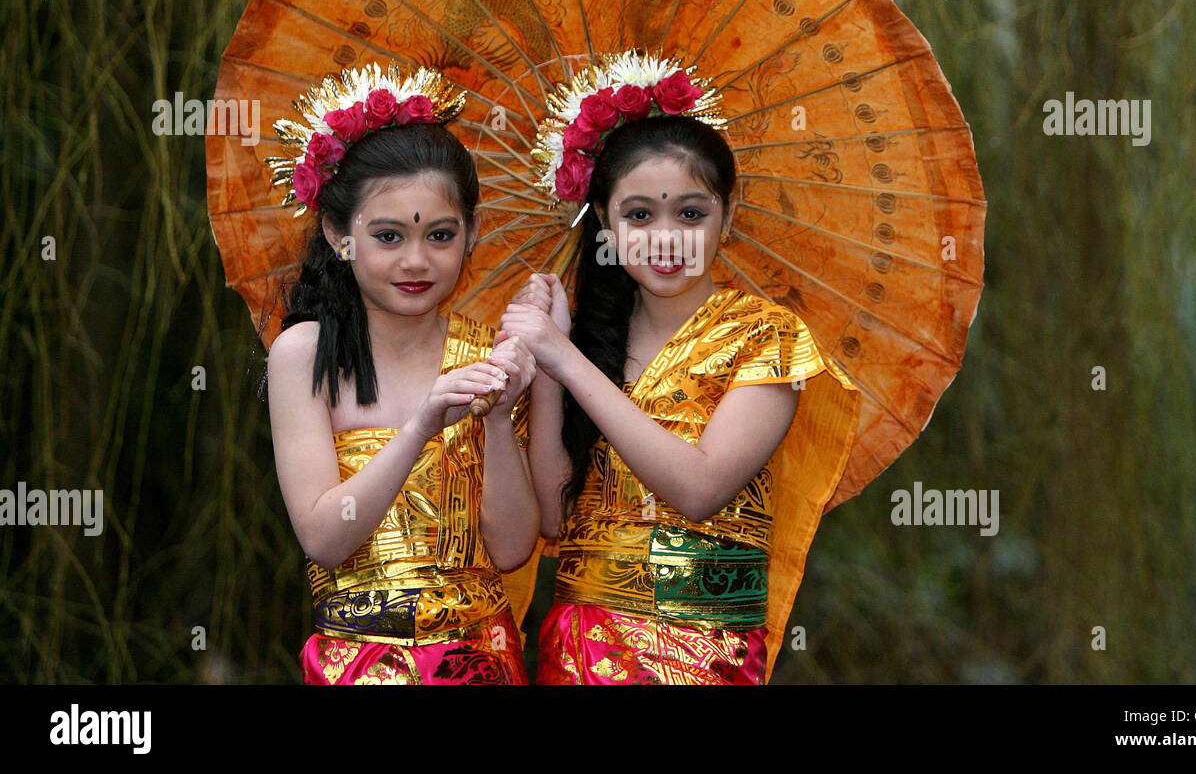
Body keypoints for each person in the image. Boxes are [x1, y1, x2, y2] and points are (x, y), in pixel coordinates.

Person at [501, 55, 861, 683]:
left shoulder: (766, 337)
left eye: (690, 214)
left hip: (702, 652)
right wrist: (551, 368)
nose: (666, 238)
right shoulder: (587, 337)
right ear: (604, 223)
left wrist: (566, 361)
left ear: (728, 214)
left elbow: (700, 490)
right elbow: (555, 521)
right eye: (639, 215)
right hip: (579, 648)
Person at [261, 65, 540, 684]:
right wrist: (419, 427)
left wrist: (497, 421)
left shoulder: (491, 355)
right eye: (388, 236)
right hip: (357, 666)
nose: (416, 261)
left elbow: (514, 549)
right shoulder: (305, 354)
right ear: (339, 234)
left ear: (472, 233)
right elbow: (325, 540)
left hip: (483, 667)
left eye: (440, 235)